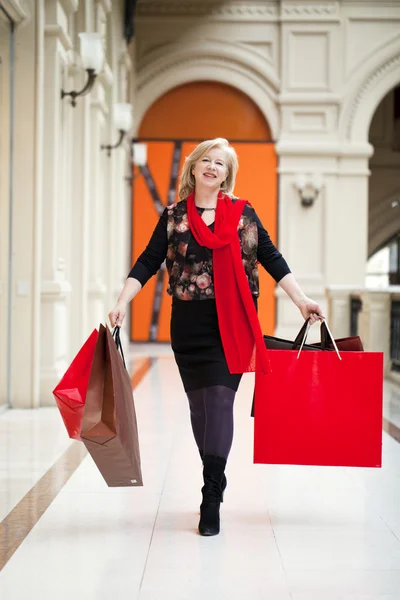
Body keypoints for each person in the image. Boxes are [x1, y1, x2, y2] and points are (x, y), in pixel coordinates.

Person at [108, 137, 324, 537]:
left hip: (234, 323)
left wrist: (301, 300)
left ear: (227, 174)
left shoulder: (243, 215)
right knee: (199, 409)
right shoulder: (173, 216)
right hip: (189, 324)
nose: (211, 167)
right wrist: (123, 301)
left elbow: (271, 259)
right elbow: (148, 262)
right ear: (193, 168)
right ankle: (215, 473)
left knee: (221, 400)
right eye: (205, 160)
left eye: (220, 163)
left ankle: (211, 494)